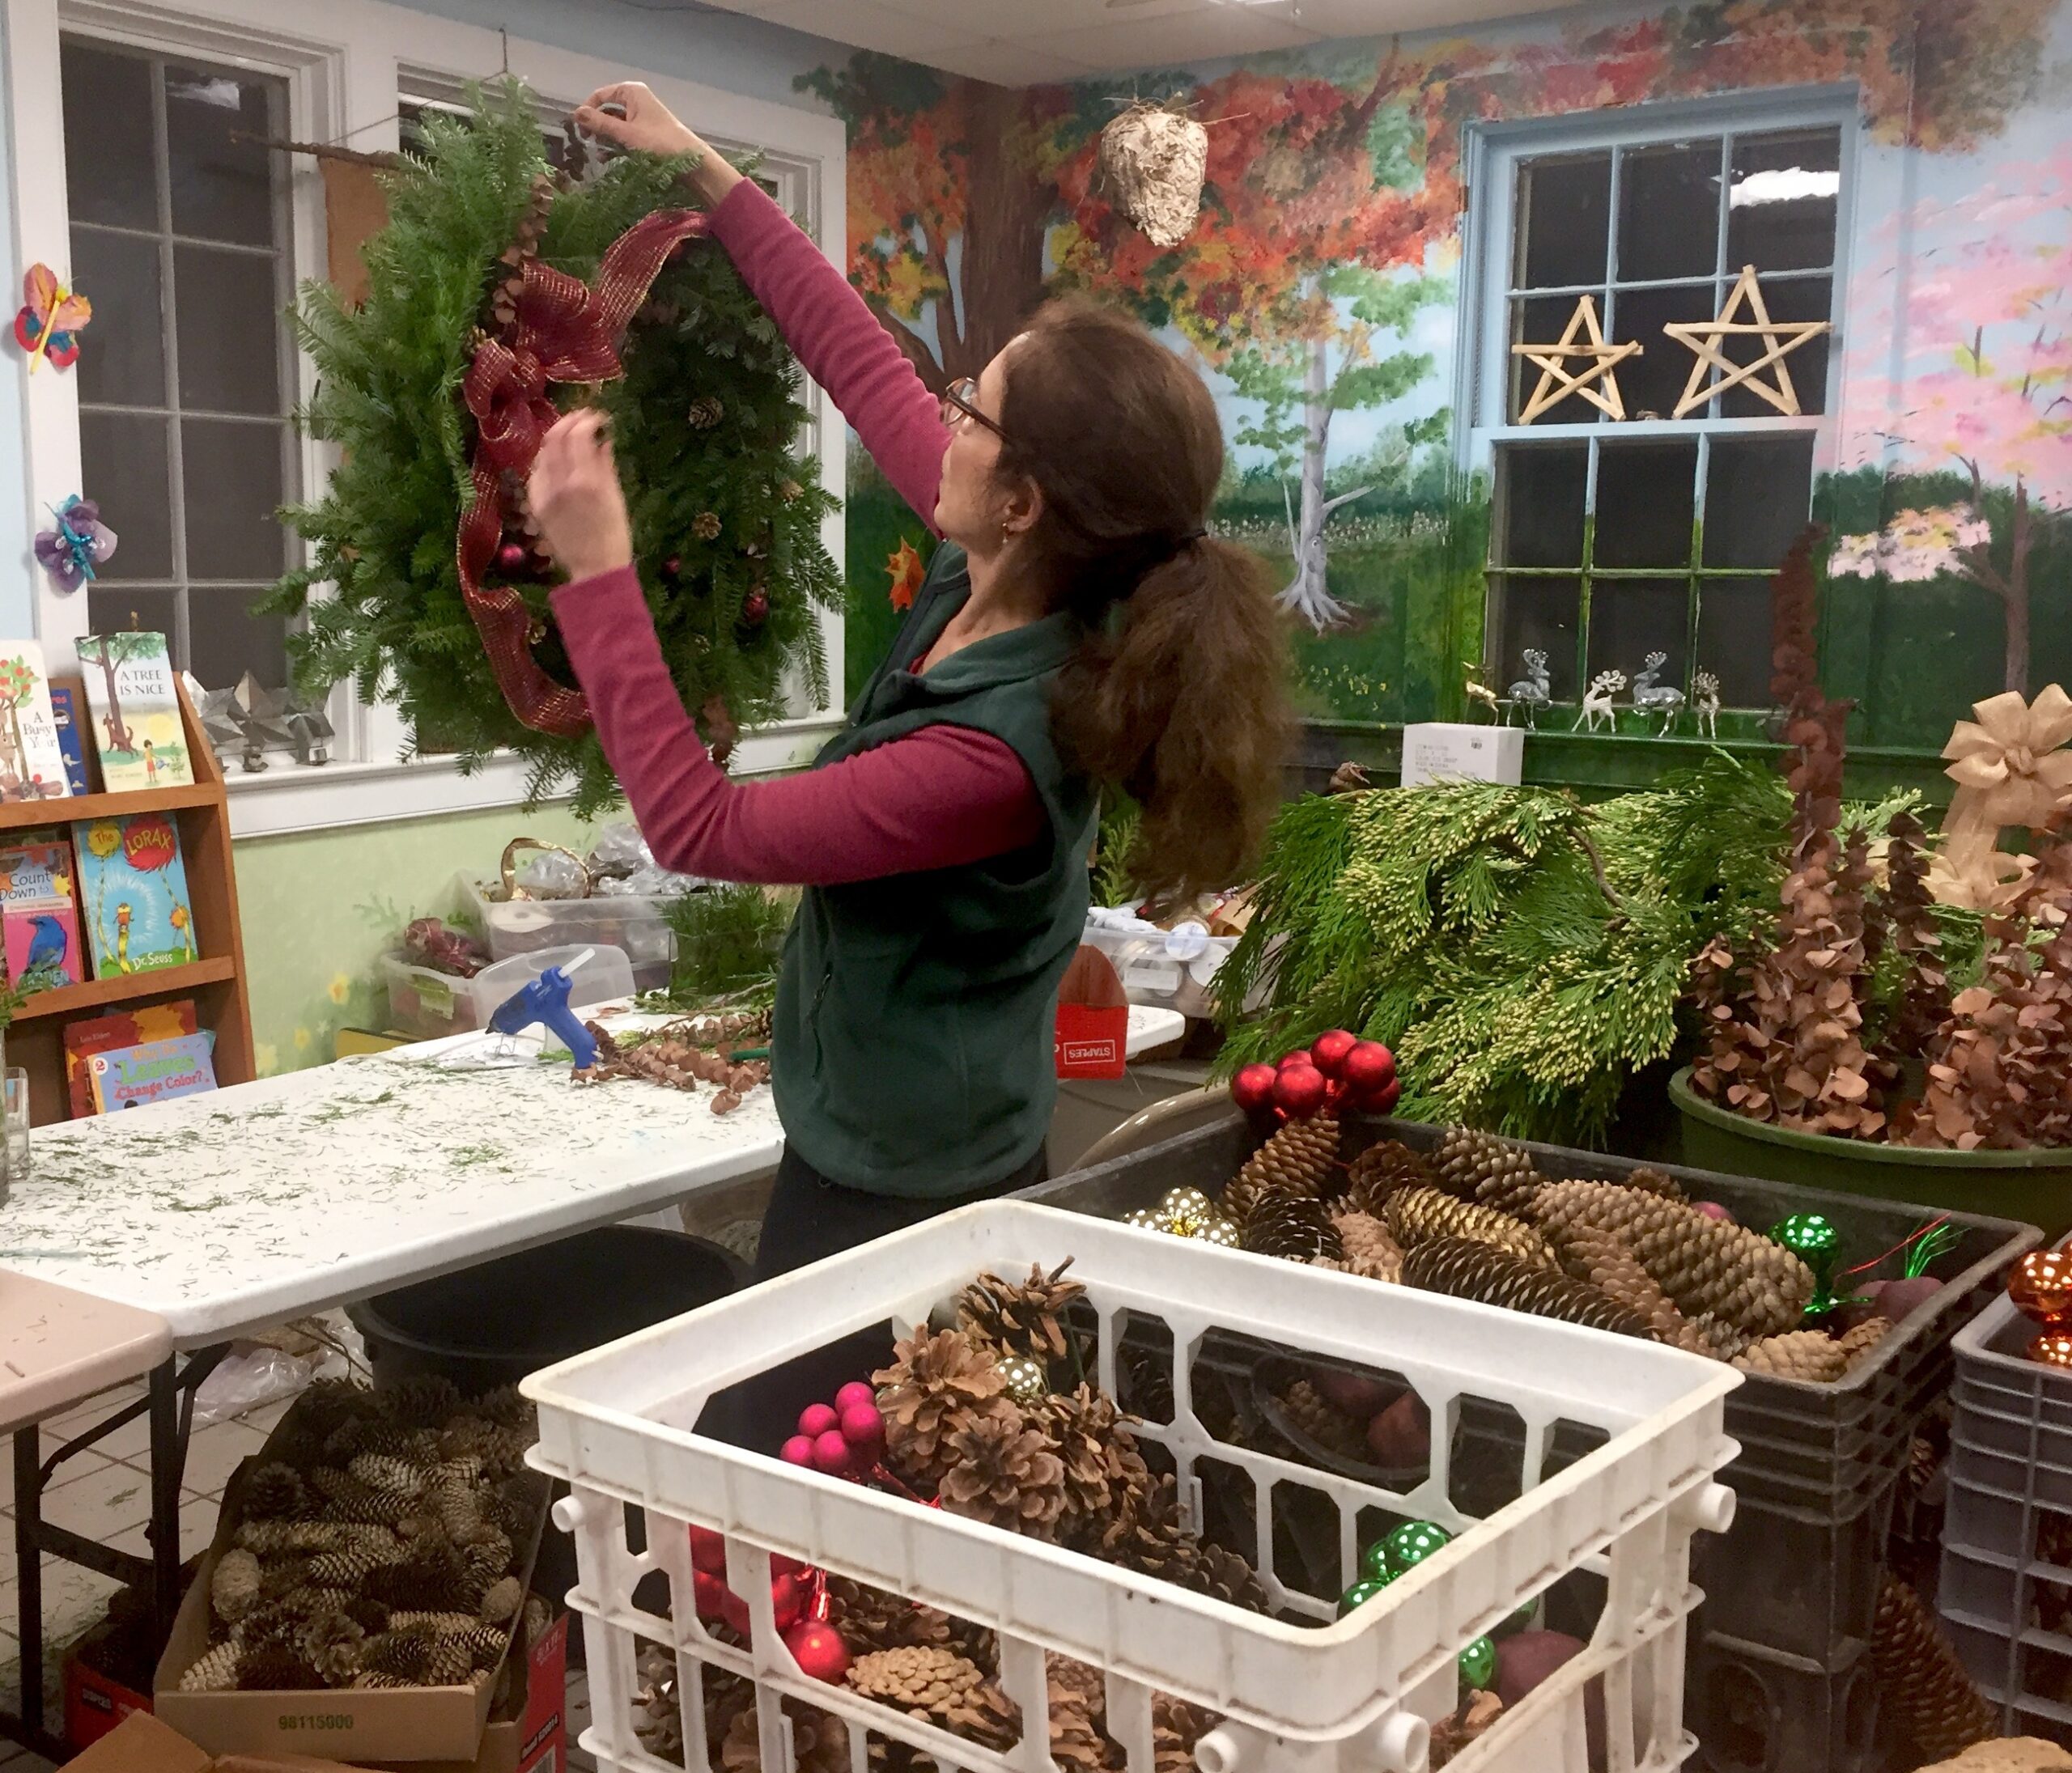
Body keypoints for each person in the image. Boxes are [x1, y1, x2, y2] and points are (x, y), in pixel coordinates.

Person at [529, 83, 1292, 1436]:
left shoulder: (995, 755)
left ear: (1023, 497)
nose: (943, 415)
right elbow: (858, 358)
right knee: (838, 1468)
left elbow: (705, 826)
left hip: (907, 1181)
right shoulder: (988, 573)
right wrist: (709, 172)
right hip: (882, 1134)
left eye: (976, 410)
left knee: (772, 1472)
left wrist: (598, 571)